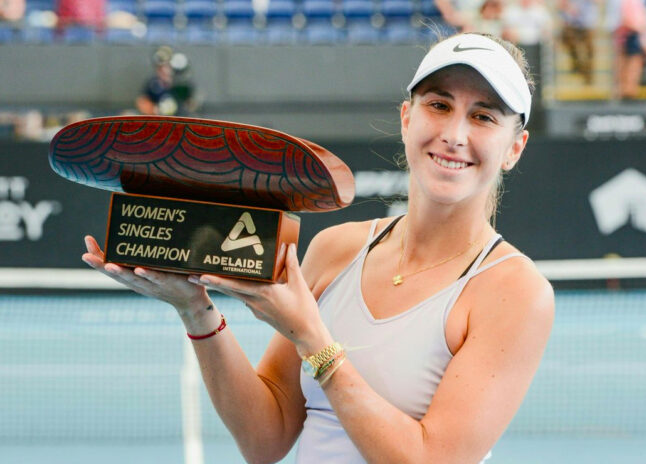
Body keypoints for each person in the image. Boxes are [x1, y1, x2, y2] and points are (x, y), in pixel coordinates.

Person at [83, 32, 554, 463]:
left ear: (515, 147)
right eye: (439, 105)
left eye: (483, 116)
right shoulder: (336, 249)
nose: (454, 134)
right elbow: (265, 440)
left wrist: (314, 340)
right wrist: (195, 309)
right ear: (407, 118)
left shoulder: (516, 292)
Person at [558, 0, 599, 85]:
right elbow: (561, 5)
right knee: (571, 45)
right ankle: (577, 66)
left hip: (587, 23)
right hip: (572, 23)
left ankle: (587, 76)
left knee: (589, 52)